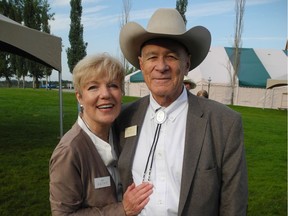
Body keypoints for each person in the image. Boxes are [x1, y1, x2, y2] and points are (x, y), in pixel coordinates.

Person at [115, 8, 248, 216]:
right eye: (152, 57)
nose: (161, 66)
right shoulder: (123, 118)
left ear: (187, 64)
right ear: (141, 65)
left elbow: (234, 205)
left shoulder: (224, 123)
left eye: (171, 57)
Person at [49, 53, 153, 216]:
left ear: (121, 93)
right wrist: (122, 210)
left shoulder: (123, 133)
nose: (105, 94)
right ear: (79, 97)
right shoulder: (69, 152)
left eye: (113, 85)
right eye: (93, 87)